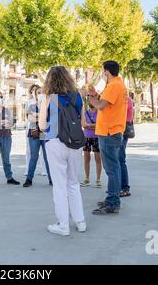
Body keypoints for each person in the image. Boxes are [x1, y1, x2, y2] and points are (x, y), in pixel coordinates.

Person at [39, 66, 86, 236]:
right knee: (73, 183)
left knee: (59, 186)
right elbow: (82, 121)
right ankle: (80, 221)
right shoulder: (77, 95)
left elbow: (42, 126)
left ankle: (63, 224)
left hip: (56, 142)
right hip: (75, 143)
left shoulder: (49, 98)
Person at [88, 61, 128, 215]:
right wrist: (96, 95)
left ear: (106, 72)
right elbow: (109, 103)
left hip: (109, 132)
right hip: (113, 131)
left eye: (103, 72)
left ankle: (112, 202)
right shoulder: (119, 85)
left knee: (112, 169)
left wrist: (91, 100)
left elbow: (102, 105)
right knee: (114, 167)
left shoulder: (113, 86)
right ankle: (112, 198)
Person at [24, 85, 52, 187]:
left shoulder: (49, 105)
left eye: (42, 93)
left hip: (45, 132)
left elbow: (50, 119)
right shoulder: (31, 104)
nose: (40, 95)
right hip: (34, 131)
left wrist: (37, 115)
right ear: (35, 95)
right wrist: (42, 116)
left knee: (47, 157)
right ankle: (29, 179)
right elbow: (31, 119)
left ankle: (51, 179)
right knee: (34, 156)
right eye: (38, 93)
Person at [80, 100, 102, 188]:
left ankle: (98, 180)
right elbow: (83, 124)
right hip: (86, 137)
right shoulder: (85, 113)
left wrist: (89, 126)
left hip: (97, 137)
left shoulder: (99, 113)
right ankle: (87, 179)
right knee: (86, 158)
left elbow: (100, 125)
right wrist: (93, 125)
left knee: (98, 159)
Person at [120, 94, 134, 197]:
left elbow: (120, 113)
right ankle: (119, 186)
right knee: (119, 159)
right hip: (122, 129)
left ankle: (124, 187)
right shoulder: (126, 99)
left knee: (120, 159)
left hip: (123, 130)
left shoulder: (126, 100)